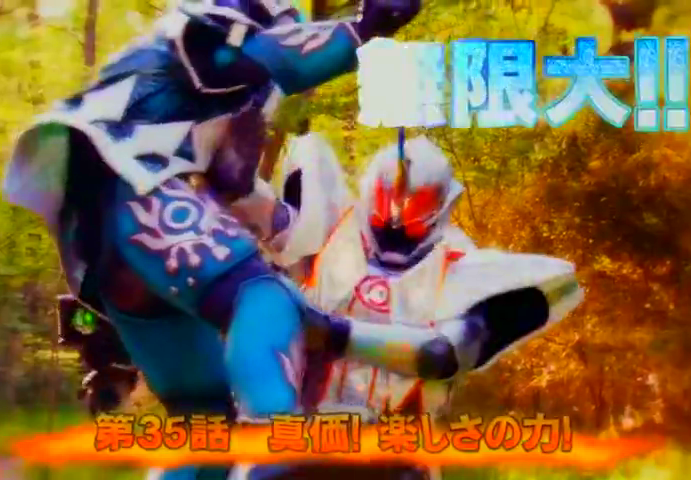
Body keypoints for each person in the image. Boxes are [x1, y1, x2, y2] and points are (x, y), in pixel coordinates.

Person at [1, 1, 421, 479]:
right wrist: (364, 27)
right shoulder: (196, 39)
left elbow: (233, 182)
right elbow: (267, 56)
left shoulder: (207, 92)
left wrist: (289, 225)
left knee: (205, 421)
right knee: (260, 296)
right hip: (140, 193)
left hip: (107, 254)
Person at [235, 131, 584, 480]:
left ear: (440, 206)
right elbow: (257, 211)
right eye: (388, 198)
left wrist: (332, 333)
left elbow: (441, 354)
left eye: (417, 205)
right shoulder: (330, 230)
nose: (397, 216)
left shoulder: (461, 268)